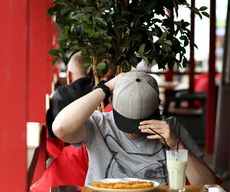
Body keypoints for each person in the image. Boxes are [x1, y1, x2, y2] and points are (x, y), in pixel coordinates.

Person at [52, 71, 216, 185]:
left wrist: (177, 145)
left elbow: (208, 184)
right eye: (126, 121)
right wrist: (106, 86)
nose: (133, 130)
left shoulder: (170, 128)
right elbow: (60, 128)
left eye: (141, 122)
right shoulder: (99, 124)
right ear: (113, 104)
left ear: (157, 109)